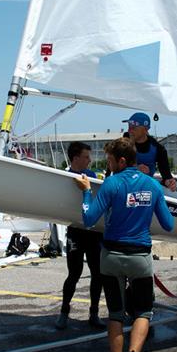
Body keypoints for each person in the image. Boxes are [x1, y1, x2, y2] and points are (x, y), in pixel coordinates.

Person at [74, 137, 174, 352]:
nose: (107, 165)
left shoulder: (111, 184)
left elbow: (88, 219)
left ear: (121, 160)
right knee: (143, 312)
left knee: (116, 314)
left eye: (109, 161)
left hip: (111, 257)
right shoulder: (152, 186)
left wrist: (86, 192)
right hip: (140, 257)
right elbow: (169, 225)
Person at [56, 141, 105, 330]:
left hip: (93, 233)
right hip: (75, 232)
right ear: (75, 158)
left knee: (98, 275)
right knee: (74, 274)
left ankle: (94, 313)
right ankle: (64, 313)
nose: (90, 160)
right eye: (86, 157)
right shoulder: (63, 176)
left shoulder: (92, 176)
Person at [122, 112, 177, 192]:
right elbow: (115, 166)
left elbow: (166, 176)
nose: (129, 130)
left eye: (134, 127)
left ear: (145, 129)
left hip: (145, 189)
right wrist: (136, 169)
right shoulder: (123, 143)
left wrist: (170, 183)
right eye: (129, 126)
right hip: (124, 185)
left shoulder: (159, 149)